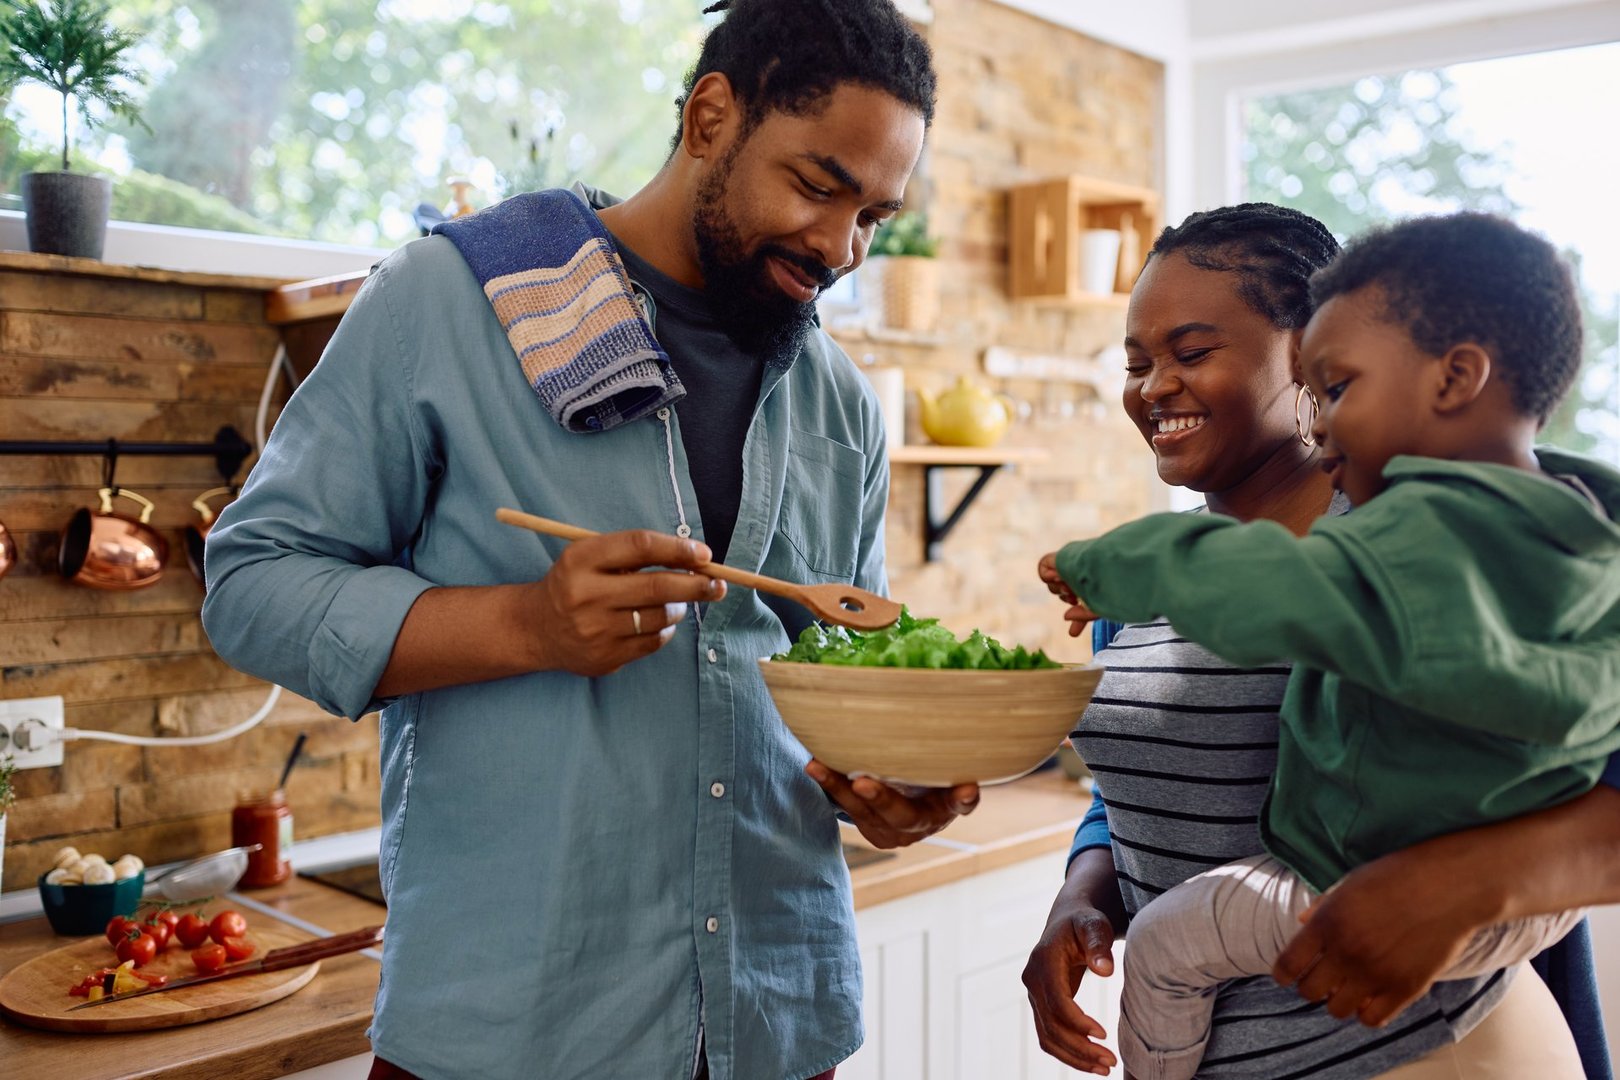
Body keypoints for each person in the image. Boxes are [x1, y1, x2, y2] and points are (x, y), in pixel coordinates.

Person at [201, 3, 979, 1078]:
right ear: (711, 116)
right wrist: (525, 623)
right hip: (513, 1027)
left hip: (779, 1023)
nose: (841, 248)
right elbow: (250, 583)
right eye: (816, 186)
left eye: (875, 218)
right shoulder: (449, 303)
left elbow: (841, 673)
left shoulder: (839, 401)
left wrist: (891, 780)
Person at [1023, 204, 1618, 1080]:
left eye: (1191, 353)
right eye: (1137, 364)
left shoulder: (1452, 542)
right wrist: (1082, 897)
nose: (1153, 387)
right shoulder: (1158, 574)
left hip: (1438, 1051)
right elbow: (1143, 786)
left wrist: (1464, 885)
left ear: (1303, 356)